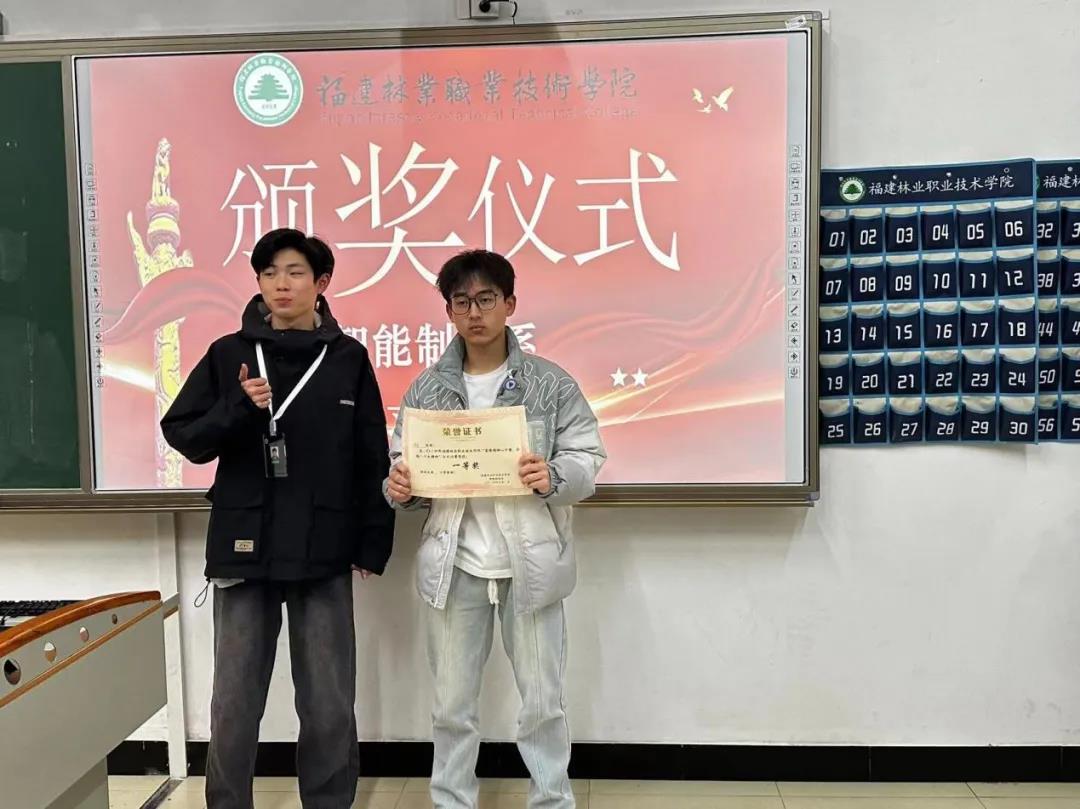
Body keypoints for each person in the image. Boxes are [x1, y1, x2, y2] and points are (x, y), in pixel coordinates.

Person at [161, 228, 395, 809]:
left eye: (294, 273)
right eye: (268, 274)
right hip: (246, 544)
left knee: (329, 699)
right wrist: (238, 408)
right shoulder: (228, 354)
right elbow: (184, 435)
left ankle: (329, 802)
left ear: (321, 283)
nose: (280, 284)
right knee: (235, 699)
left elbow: (371, 455)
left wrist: (373, 543)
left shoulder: (348, 358)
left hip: (324, 545)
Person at [385, 249, 605, 809]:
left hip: (530, 565)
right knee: (451, 706)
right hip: (454, 563)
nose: (474, 312)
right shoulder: (427, 390)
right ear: (449, 312)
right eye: (461, 302)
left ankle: (551, 801)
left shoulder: (550, 384)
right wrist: (401, 487)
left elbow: (587, 456)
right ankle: (451, 801)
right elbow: (401, 465)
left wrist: (553, 475)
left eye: (486, 299)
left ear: (510, 303)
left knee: (543, 704)